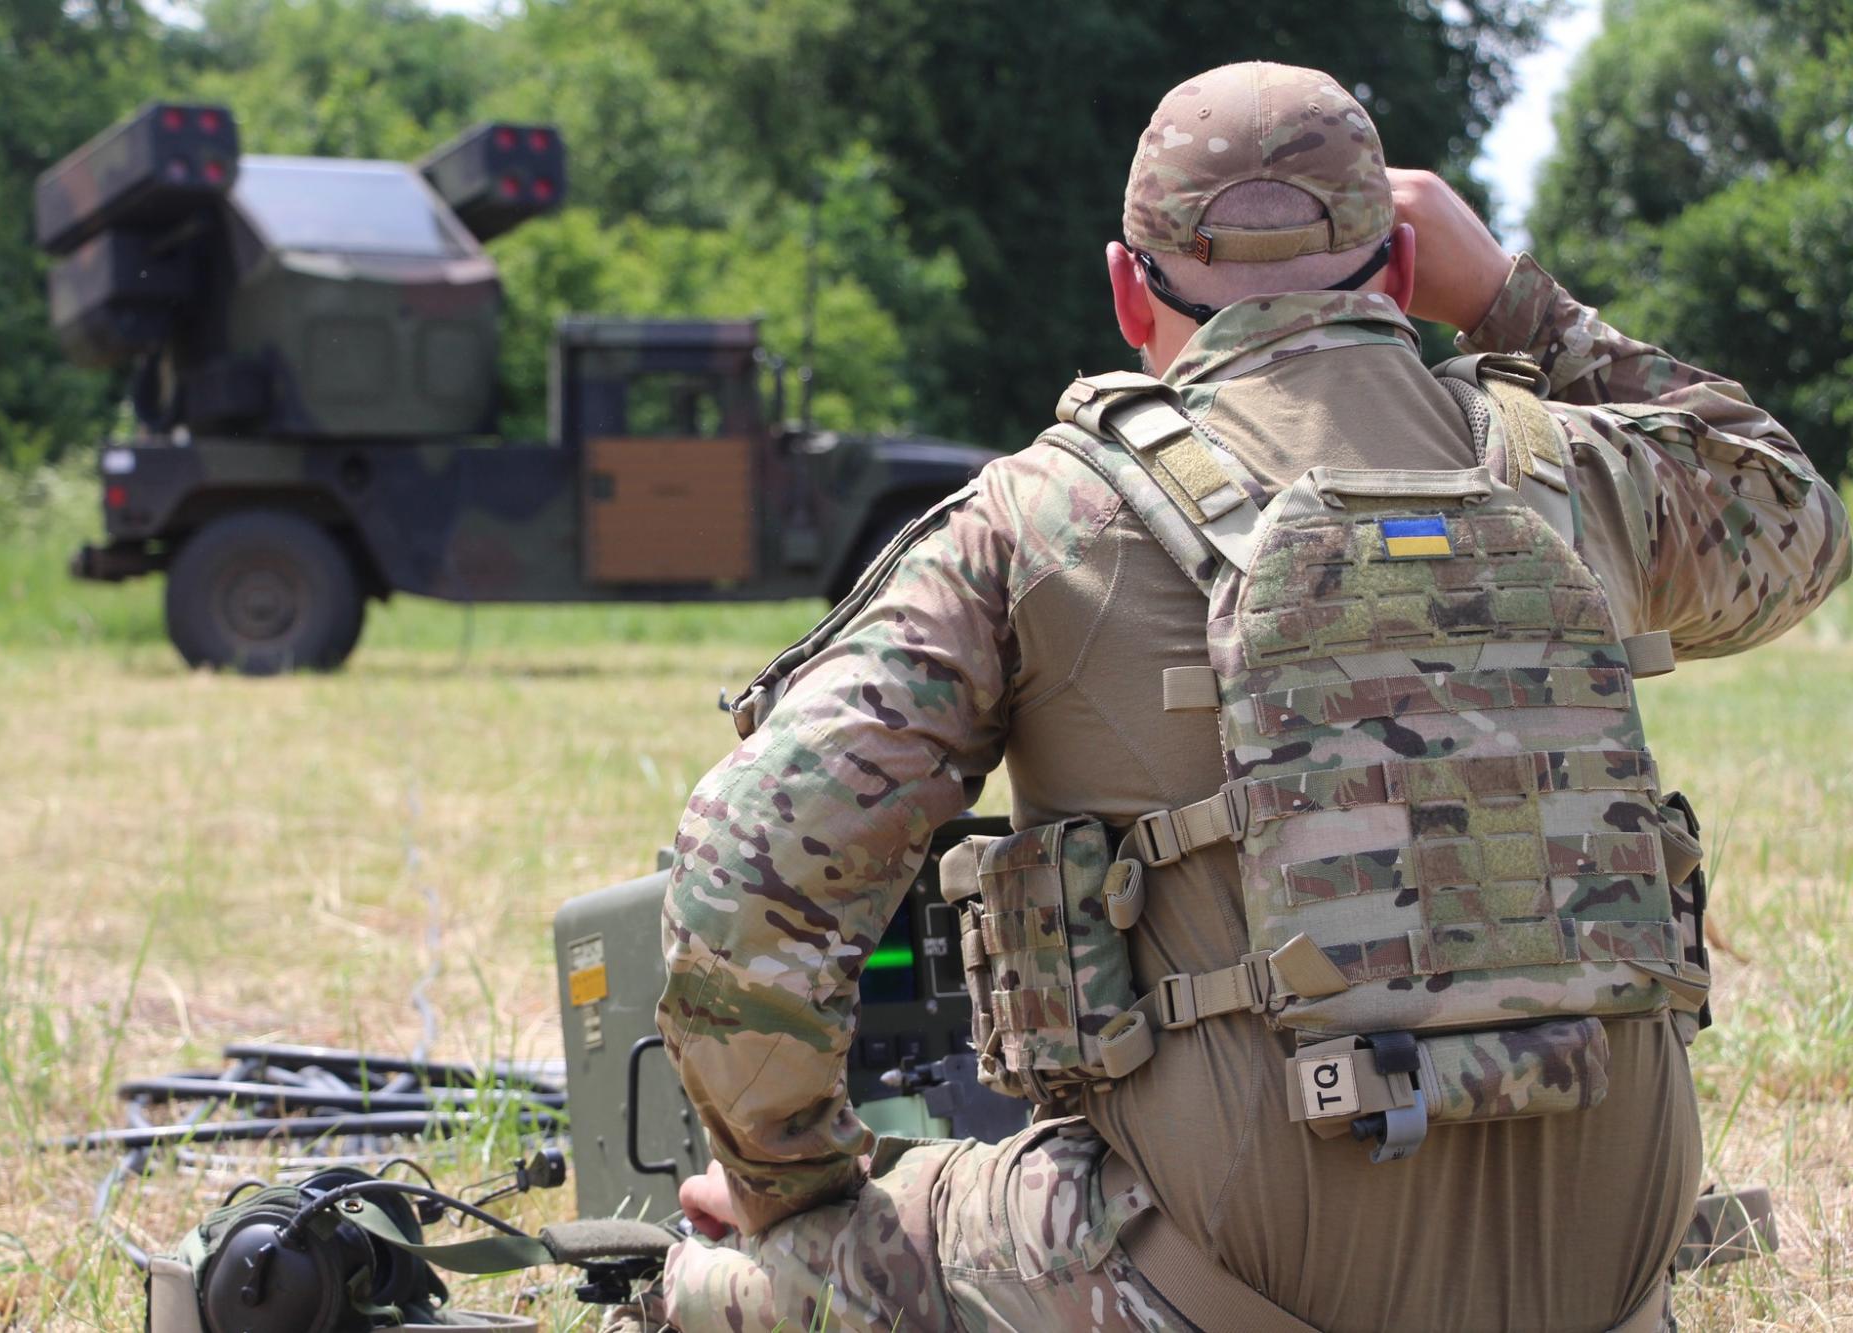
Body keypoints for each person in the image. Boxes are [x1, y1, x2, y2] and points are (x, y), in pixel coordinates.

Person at [644, 61, 1851, 1333]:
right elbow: (1796, 518)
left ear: (1125, 291)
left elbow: (747, 863)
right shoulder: (1573, 470)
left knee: (737, 1277)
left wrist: (791, 1184)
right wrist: (1512, 302)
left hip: (1216, 1286)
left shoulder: (1039, 518)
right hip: (1600, 1276)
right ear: (1396, 271)